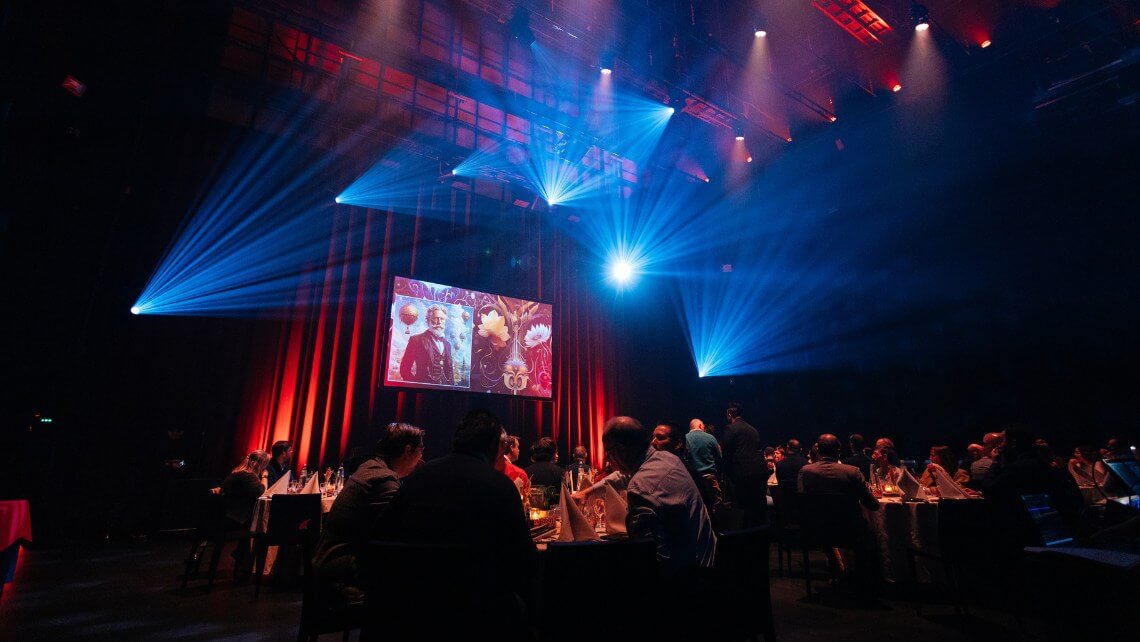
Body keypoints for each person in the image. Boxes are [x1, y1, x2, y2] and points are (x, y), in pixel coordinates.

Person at [378, 409, 537, 608]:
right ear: (493, 447)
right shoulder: (501, 486)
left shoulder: (419, 476)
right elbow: (525, 559)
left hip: (413, 603)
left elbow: (384, 535)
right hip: (483, 607)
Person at [313, 422, 425, 603]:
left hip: (330, 565)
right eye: (421, 450)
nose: (421, 457)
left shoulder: (371, 467)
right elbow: (394, 534)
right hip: (343, 575)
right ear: (407, 450)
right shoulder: (383, 480)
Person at [602, 416, 715, 575]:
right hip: (709, 561)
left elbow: (651, 557)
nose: (607, 459)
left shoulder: (640, 487)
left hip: (688, 579)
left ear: (621, 451)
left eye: (608, 452)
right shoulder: (670, 459)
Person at [797, 435, 879, 511]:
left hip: (815, 521)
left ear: (817, 450)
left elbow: (801, 502)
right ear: (838, 451)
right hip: (848, 521)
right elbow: (873, 505)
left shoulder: (805, 471)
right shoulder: (853, 472)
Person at [719, 402, 768, 525]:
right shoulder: (753, 429)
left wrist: (725, 470)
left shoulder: (730, 428)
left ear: (729, 415)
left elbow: (726, 452)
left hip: (742, 474)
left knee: (741, 507)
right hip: (759, 472)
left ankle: (743, 531)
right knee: (757, 506)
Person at [221, 450, 269, 573]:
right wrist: (264, 476)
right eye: (264, 466)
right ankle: (253, 562)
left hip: (224, 516)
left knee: (255, 520)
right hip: (234, 520)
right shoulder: (247, 476)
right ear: (260, 465)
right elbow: (261, 491)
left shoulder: (237, 472)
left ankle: (241, 555)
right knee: (263, 527)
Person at [398, 304, 454, 386]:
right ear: (428, 320)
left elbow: (450, 370)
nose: (439, 322)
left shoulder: (448, 344)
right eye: (436, 318)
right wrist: (415, 386)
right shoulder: (416, 340)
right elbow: (404, 368)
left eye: (442, 319)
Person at [684, 418, 723, 504]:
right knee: (716, 504)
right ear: (700, 425)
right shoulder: (710, 437)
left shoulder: (685, 438)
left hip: (693, 479)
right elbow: (719, 457)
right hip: (710, 477)